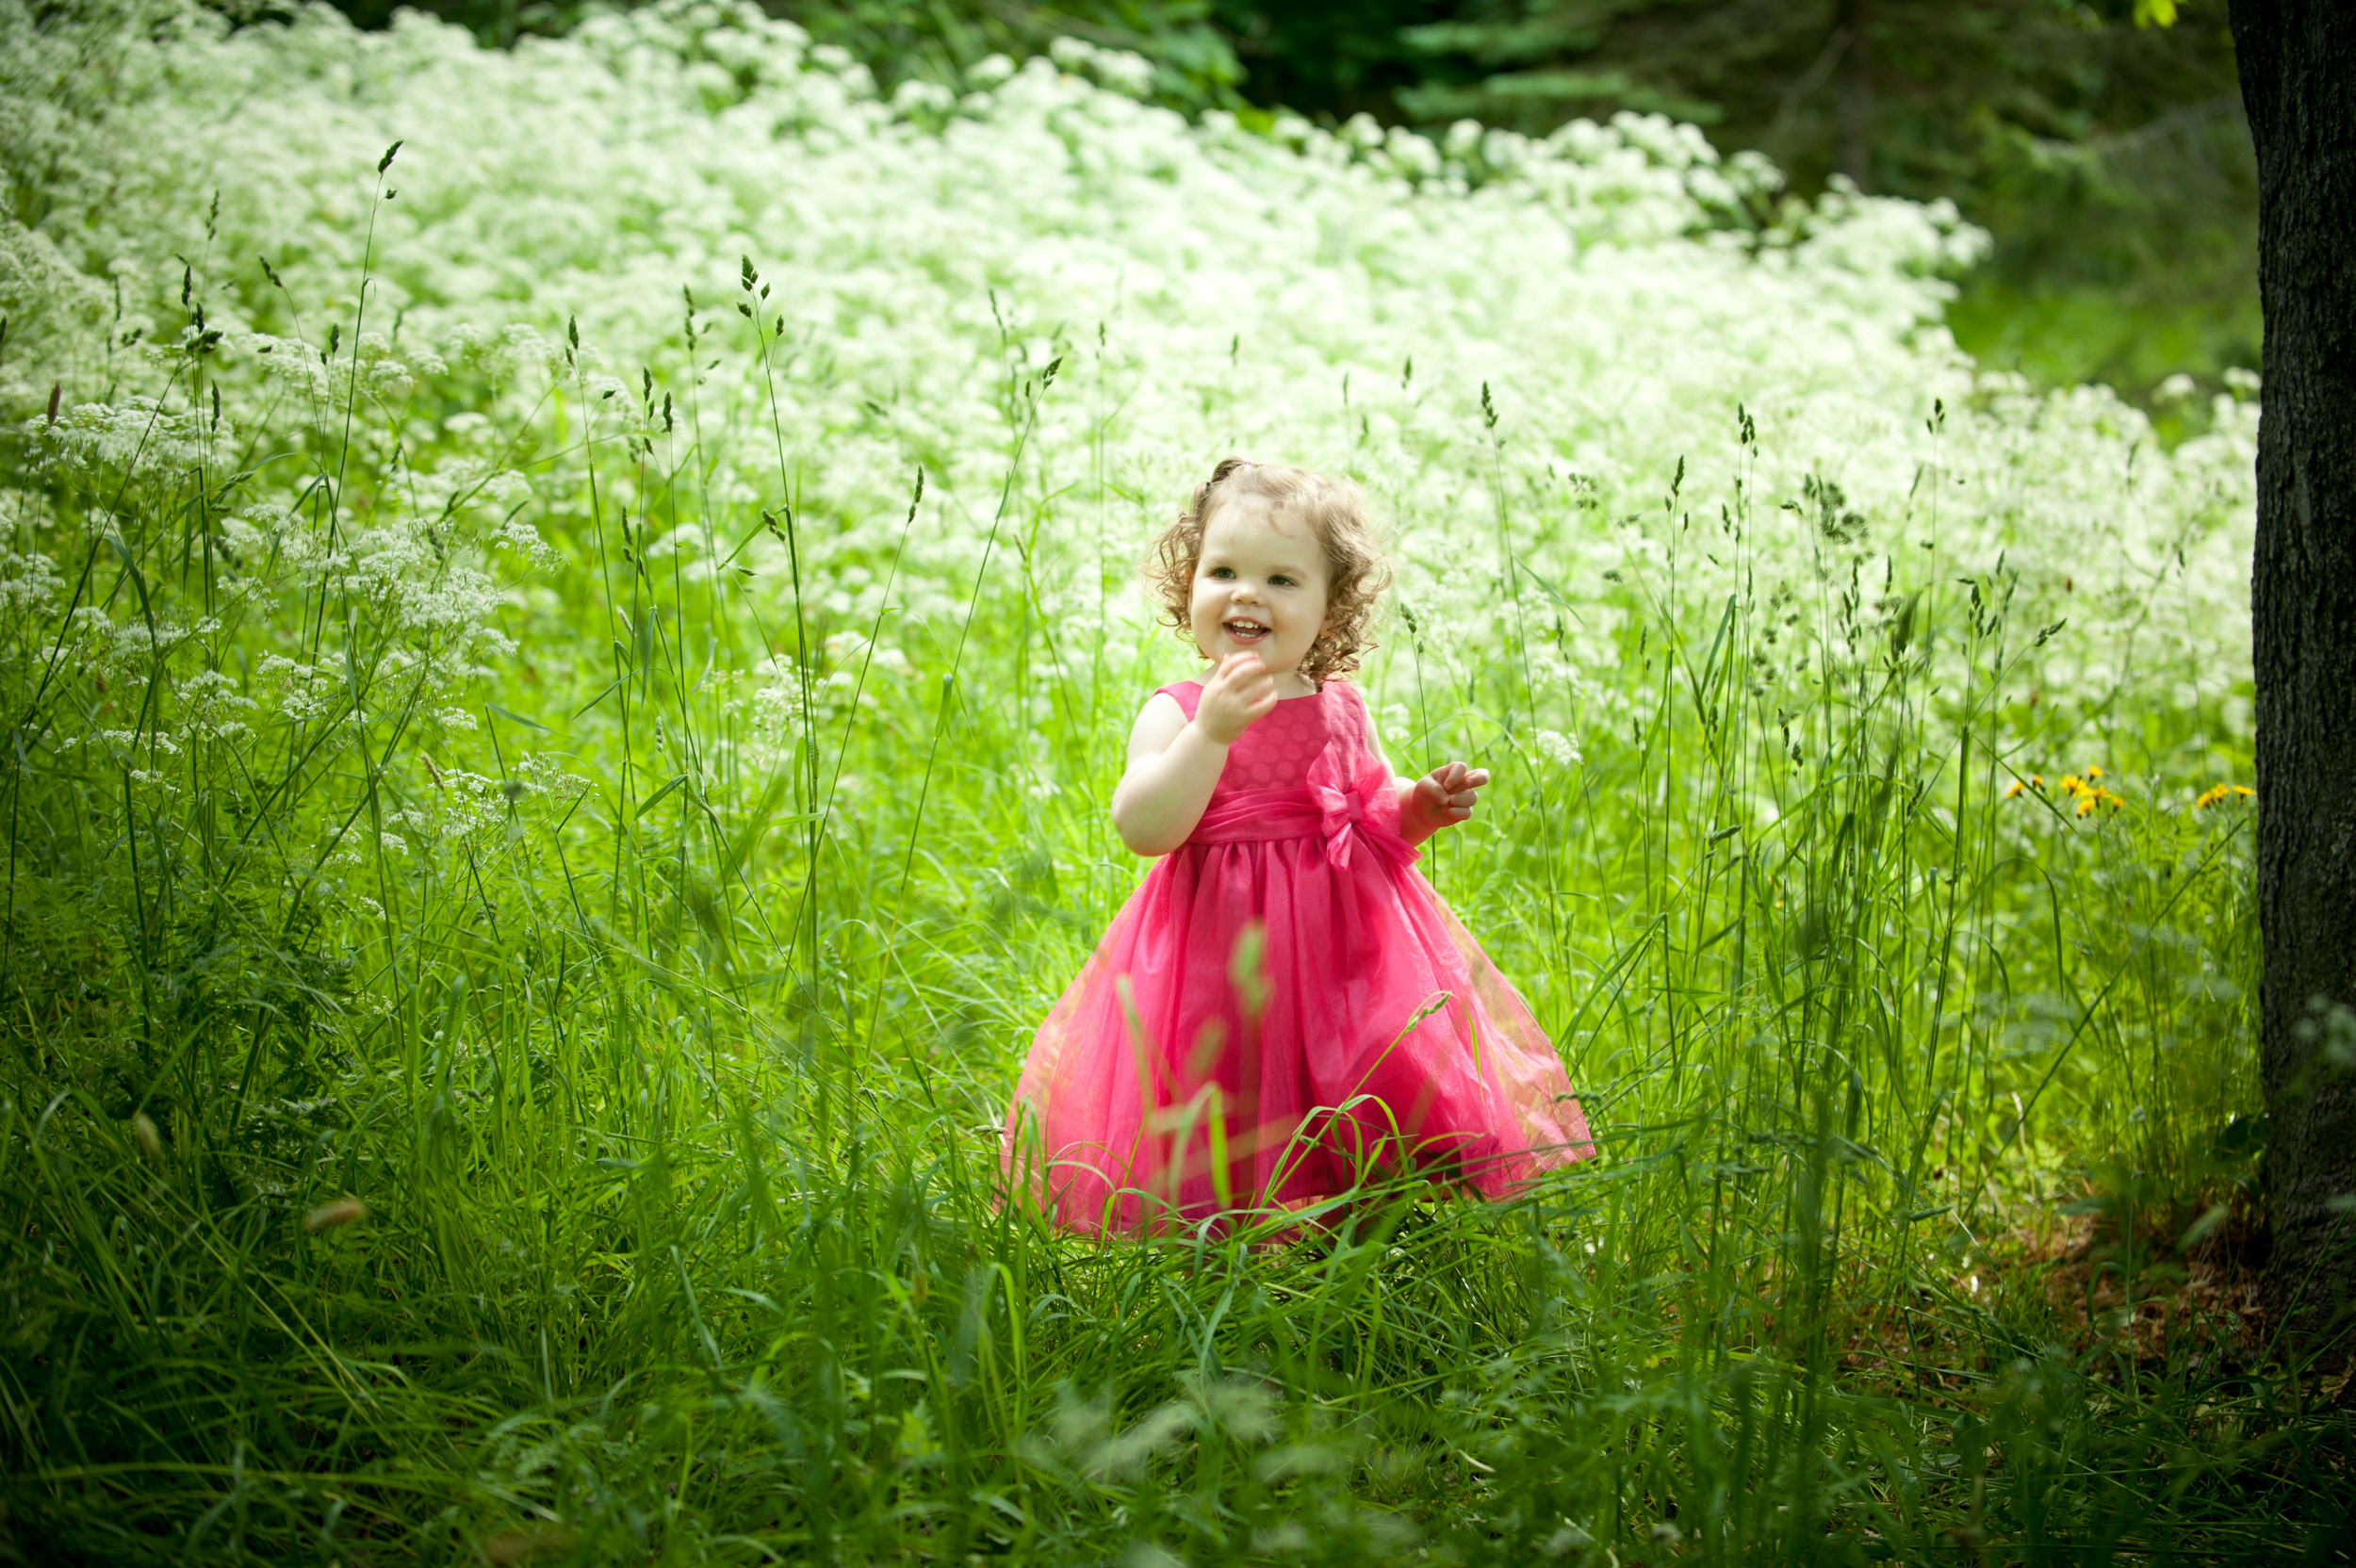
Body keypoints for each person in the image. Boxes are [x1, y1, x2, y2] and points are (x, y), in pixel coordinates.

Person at [1002, 458, 1593, 1234]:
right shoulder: (1179, 711)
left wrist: (1420, 804)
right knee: (1221, 1104)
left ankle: (1361, 1241)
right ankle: (1214, 1263)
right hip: (1217, 962)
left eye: (1282, 580)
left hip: (1342, 956)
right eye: (1223, 571)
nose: (1247, 593)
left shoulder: (1340, 707)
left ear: (1330, 608)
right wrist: (1212, 734)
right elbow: (1145, 827)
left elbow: (1373, 813)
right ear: (1190, 586)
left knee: (1365, 1088)